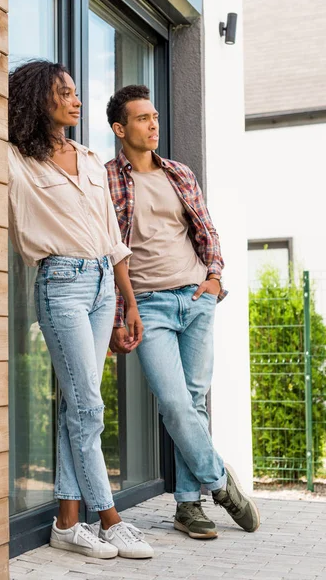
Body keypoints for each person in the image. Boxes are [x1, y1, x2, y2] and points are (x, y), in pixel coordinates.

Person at [8, 62, 153, 559]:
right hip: (61, 286)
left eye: (76, 91)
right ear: (37, 100)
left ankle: (68, 522)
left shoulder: (91, 159)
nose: (76, 99)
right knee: (90, 407)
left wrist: (128, 302)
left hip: (102, 288)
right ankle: (111, 519)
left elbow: (113, 238)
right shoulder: (15, 160)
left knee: (79, 404)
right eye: (64, 92)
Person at [105, 85, 260, 540]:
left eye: (154, 116)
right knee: (174, 402)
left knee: (193, 403)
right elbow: (108, 252)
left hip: (195, 298)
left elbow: (207, 230)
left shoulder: (179, 173)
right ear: (120, 128)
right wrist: (120, 312)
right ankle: (221, 482)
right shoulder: (108, 179)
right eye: (141, 118)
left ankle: (188, 507)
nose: (153, 124)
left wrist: (213, 280)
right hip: (147, 305)